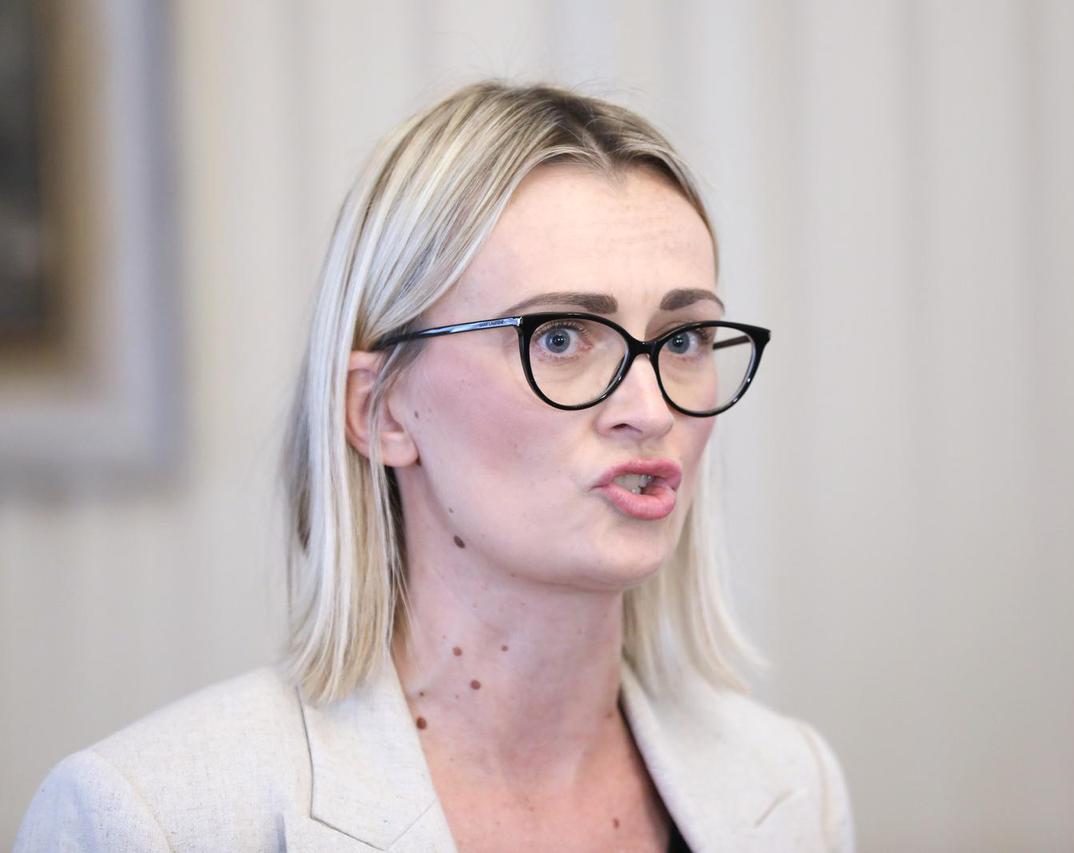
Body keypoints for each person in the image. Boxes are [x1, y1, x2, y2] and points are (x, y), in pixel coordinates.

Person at [15, 80, 855, 852]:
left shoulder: (790, 789)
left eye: (685, 339)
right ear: (379, 408)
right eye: (559, 337)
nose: (652, 408)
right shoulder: (153, 817)